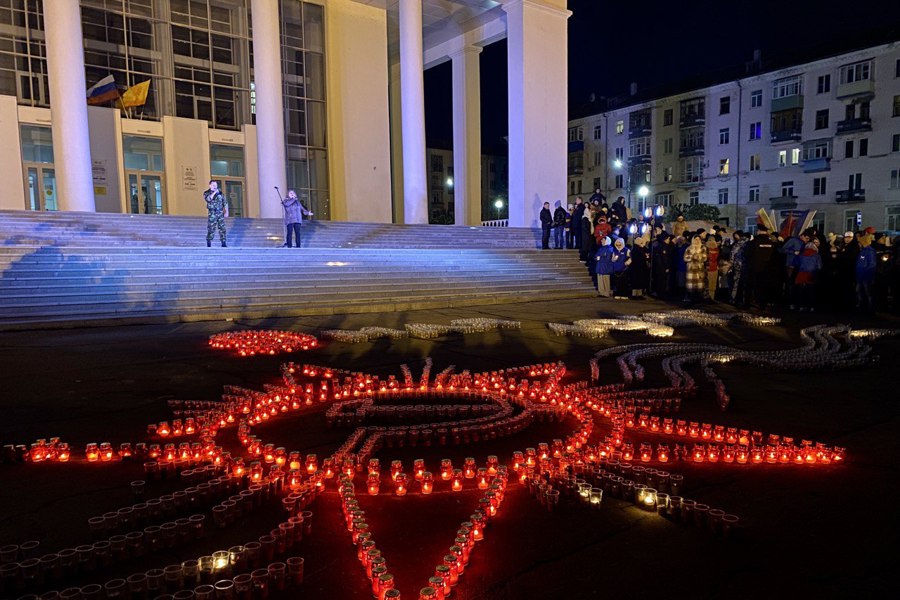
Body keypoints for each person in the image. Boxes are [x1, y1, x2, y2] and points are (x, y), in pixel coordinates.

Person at [744, 225, 778, 309]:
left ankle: (747, 304)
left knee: (749, 286)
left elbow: (747, 254)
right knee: (763, 287)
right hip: (766, 268)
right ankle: (762, 304)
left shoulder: (754, 242)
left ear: (758, 231)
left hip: (753, 267)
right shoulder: (771, 243)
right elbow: (774, 256)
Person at [794, 239, 822, 311]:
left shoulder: (801, 254)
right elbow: (819, 266)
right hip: (811, 274)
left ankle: (801, 306)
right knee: (811, 291)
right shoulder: (817, 256)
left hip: (801, 274)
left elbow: (796, 264)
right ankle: (811, 306)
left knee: (801, 291)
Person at [856, 232, 877, 313]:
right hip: (861, 276)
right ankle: (862, 307)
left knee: (868, 293)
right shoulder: (863, 251)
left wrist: (869, 277)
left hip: (866, 277)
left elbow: (872, 265)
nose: (859, 244)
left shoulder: (869, 251)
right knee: (859, 292)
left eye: (860, 242)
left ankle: (870, 309)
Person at [683, 235, 707, 303]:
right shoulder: (689, 248)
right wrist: (692, 257)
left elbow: (705, 258)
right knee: (691, 286)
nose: (697, 241)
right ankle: (691, 299)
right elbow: (685, 258)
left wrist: (699, 257)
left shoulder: (703, 248)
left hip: (699, 268)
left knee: (699, 285)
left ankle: (699, 300)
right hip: (691, 269)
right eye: (696, 239)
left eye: (698, 239)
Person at [204, 180, 227, 247]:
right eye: (213, 185)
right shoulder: (207, 193)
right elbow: (208, 199)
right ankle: (209, 242)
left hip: (220, 213)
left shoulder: (220, 193)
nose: (215, 186)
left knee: (222, 228)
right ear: (210, 185)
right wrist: (214, 193)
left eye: (216, 185)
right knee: (211, 228)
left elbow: (225, 202)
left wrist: (226, 211)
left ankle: (223, 242)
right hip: (212, 213)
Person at [651, 232, 674, 298]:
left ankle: (660, 293)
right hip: (662, 267)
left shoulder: (659, 246)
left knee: (660, 281)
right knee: (663, 281)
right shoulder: (664, 247)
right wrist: (667, 267)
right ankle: (662, 294)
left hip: (659, 267)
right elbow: (665, 258)